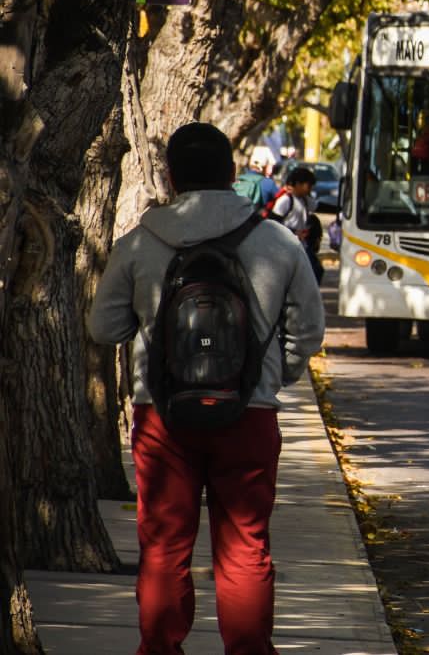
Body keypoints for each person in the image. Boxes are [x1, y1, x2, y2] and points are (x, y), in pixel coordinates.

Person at [89, 122, 325, 655]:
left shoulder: (139, 242)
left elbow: (104, 329)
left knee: (164, 547)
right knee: (245, 548)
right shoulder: (278, 240)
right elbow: (308, 330)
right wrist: (273, 376)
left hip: (162, 418)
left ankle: (159, 648)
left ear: (171, 177)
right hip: (249, 417)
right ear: (233, 175)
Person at [270, 166, 322, 282]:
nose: (309, 189)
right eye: (308, 185)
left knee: (315, 271)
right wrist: (293, 232)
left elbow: (317, 206)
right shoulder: (286, 200)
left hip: (301, 245)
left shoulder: (305, 200)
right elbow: (273, 223)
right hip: (287, 246)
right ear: (298, 184)